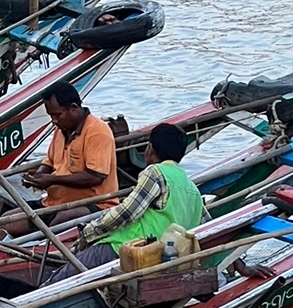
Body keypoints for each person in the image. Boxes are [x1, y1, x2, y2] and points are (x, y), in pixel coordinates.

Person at [76, 121, 205, 260]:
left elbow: (126, 212)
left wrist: (89, 232)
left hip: (133, 249)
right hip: (168, 254)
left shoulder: (155, 172)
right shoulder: (192, 188)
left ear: (150, 149)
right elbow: (204, 222)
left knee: (65, 274)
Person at [22, 80, 119, 208]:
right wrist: (37, 177)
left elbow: (95, 177)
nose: (54, 121)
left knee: (57, 224)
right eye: (51, 116)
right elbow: (49, 162)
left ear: (73, 108)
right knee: (6, 221)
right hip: (55, 202)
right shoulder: (60, 129)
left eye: (57, 115)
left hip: (93, 204)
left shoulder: (97, 132)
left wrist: (52, 179)